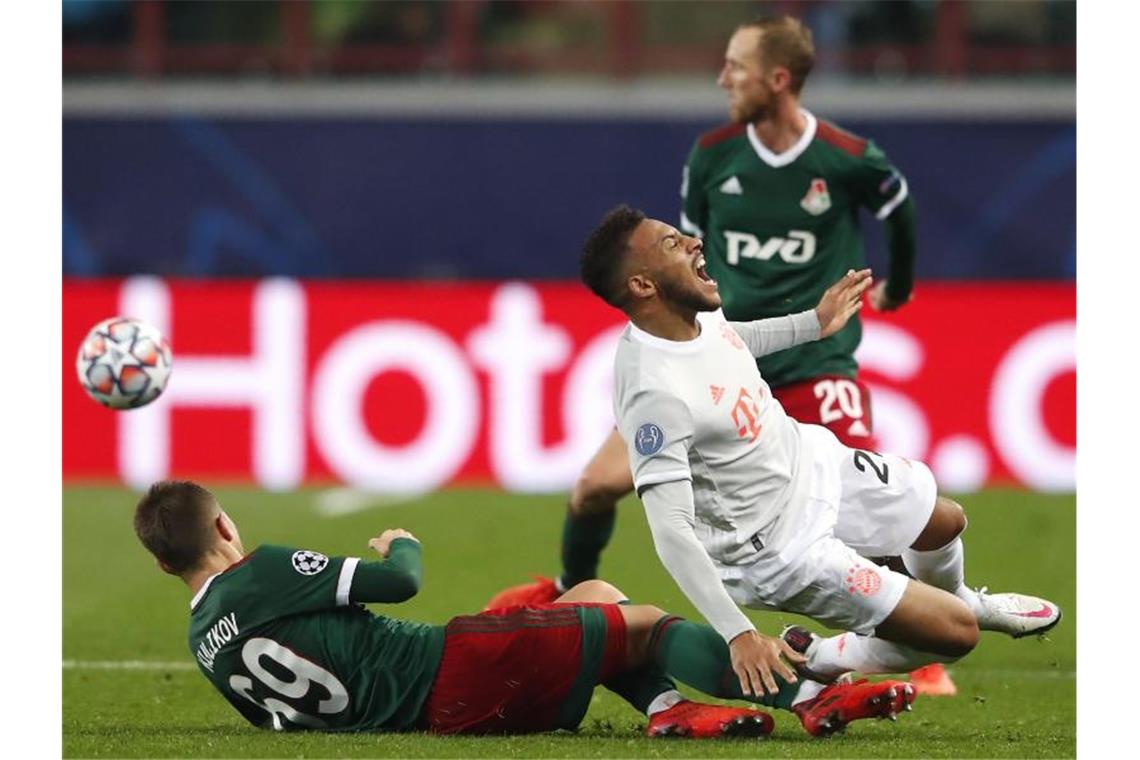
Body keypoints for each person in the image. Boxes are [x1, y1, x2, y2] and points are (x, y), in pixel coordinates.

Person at [484, 15, 940, 688]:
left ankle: (909, 645)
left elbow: (898, 207)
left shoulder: (844, 157)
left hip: (814, 365)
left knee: (873, 517)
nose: (723, 78)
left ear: (777, 80)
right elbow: (689, 263)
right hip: (713, 367)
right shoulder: (713, 157)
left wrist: (896, 286)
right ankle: (575, 604)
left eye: (737, 66)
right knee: (592, 488)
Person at [565, 205, 1060, 710]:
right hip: (777, 546)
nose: (693, 242)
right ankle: (823, 657)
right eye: (672, 244)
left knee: (943, 519)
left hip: (808, 460)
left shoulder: (697, 315)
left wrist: (813, 323)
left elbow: (735, 341)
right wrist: (739, 634)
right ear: (644, 286)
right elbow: (671, 532)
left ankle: (967, 599)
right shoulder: (655, 393)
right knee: (956, 635)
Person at [133, 480, 918, 739]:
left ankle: (671, 710)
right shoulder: (262, 571)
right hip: (452, 667)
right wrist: (401, 540)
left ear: (164, 564)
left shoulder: (205, 642)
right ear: (226, 528)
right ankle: (808, 697)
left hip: (432, 713)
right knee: (638, 618)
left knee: (589, 606)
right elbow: (399, 583)